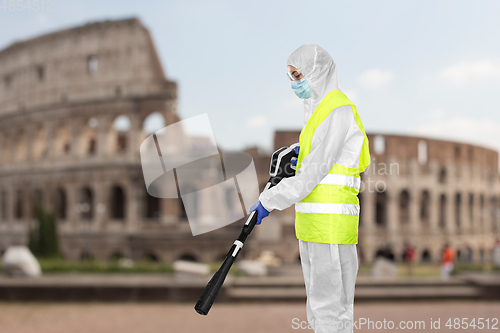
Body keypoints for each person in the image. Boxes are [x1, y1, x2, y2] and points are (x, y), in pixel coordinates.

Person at [249, 44, 370, 333]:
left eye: (298, 75)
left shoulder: (337, 110)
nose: (295, 83)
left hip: (330, 226)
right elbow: (315, 159)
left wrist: (268, 200)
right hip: (315, 225)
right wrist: (298, 149)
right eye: (291, 76)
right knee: (324, 308)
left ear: (317, 73)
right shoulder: (319, 114)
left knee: (329, 309)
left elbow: (312, 175)